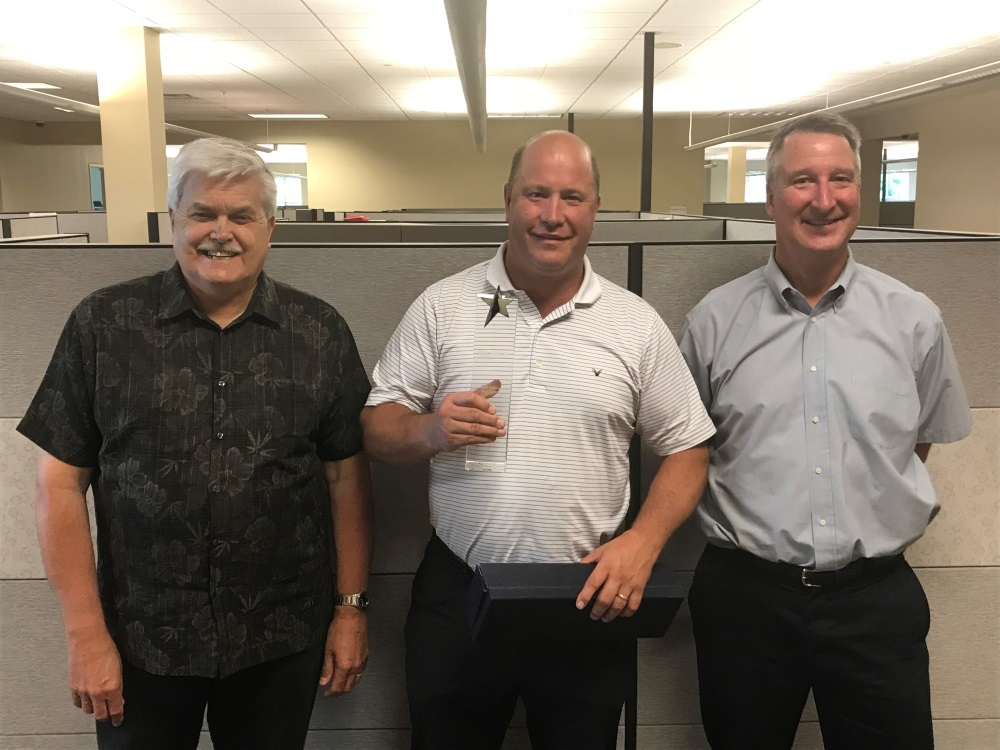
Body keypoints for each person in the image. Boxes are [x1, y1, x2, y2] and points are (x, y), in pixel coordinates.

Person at [361, 130, 715, 749]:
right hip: (459, 589)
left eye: (571, 197)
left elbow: (689, 447)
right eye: (536, 194)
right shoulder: (443, 306)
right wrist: (429, 430)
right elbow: (376, 427)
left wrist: (644, 541)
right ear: (507, 200)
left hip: (586, 595)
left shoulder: (634, 323)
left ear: (594, 208)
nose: (553, 215)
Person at [17, 137, 374, 750]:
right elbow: (59, 481)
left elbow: (347, 478)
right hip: (141, 639)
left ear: (270, 227)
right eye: (203, 213)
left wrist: (350, 609)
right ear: (174, 222)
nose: (221, 232)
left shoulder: (319, 332)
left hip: (280, 635)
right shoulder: (103, 325)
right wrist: (84, 635)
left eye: (241, 215)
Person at [678, 112, 972, 750]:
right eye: (802, 180)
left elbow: (915, 444)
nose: (823, 198)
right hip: (746, 600)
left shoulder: (914, 320)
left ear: (858, 192)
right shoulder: (713, 322)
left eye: (840, 179)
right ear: (771, 197)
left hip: (874, 603)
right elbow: (689, 451)